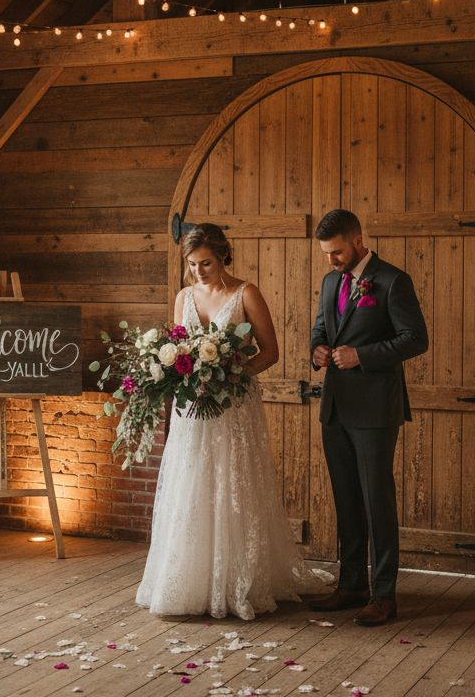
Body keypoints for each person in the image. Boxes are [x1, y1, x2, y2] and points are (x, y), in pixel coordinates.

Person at [136, 223, 331, 619]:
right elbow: (177, 347)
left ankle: (237, 579)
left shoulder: (247, 294)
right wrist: (180, 374)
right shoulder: (184, 296)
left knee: (232, 482)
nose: (198, 272)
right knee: (191, 483)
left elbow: (270, 352)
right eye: (192, 265)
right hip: (191, 409)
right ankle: (187, 579)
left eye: (205, 263)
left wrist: (231, 373)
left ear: (223, 255)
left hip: (234, 406)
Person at [307, 209, 429, 626]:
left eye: (337, 252)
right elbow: (322, 329)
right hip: (336, 406)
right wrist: (317, 350)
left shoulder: (393, 281)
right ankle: (352, 584)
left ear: (358, 240)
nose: (332, 261)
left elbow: (415, 339)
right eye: (326, 253)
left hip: (376, 409)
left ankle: (385, 594)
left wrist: (363, 356)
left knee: (377, 500)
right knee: (346, 499)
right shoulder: (329, 282)